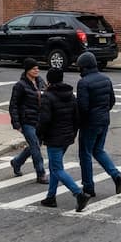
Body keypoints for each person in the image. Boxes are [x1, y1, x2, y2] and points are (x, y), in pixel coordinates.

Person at [37, 68, 90, 212]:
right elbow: (76, 118)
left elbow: (44, 120)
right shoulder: (70, 95)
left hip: (54, 138)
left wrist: (39, 135)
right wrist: (72, 134)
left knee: (56, 168)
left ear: (49, 81)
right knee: (55, 167)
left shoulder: (48, 96)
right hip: (67, 136)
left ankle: (79, 194)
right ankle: (51, 197)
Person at [76, 51, 121, 196]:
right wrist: (103, 112)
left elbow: (83, 107)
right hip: (104, 120)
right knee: (98, 150)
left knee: (85, 154)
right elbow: (112, 101)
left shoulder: (83, 83)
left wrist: (79, 122)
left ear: (84, 67)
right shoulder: (105, 79)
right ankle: (116, 176)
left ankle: (88, 187)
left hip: (90, 123)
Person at [8, 58, 47, 183]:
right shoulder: (20, 86)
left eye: (37, 68)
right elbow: (13, 105)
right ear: (27, 70)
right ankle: (41, 174)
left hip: (39, 120)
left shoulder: (40, 81)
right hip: (27, 121)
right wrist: (16, 123)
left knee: (35, 145)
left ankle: (16, 162)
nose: (37, 70)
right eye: (34, 68)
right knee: (35, 146)